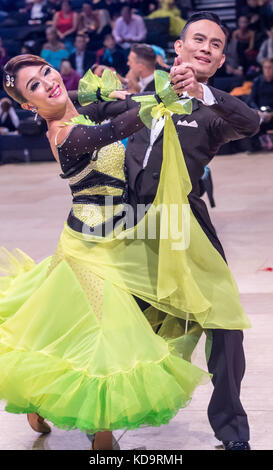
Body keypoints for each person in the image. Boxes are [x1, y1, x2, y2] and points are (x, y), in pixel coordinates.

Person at [0, 53, 215, 451]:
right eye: (34, 86)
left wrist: (135, 93)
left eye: (46, 71)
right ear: (29, 106)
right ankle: (101, 431)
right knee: (106, 336)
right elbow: (117, 127)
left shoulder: (84, 110)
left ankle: (37, 398)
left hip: (124, 234)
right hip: (88, 248)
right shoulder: (62, 134)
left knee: (79, 331)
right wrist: (159, 95)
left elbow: (122, 111)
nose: (47, 82)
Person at [123, 11, 260, 450]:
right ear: (178, 48)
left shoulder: (213, 112)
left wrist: (201, 91)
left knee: (224, 324)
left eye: (215, 45)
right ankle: (76, 405)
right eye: (197, 39)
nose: (206, 47)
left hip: (186, 225)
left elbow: (252, 123)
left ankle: (232, 430)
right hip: (129, 224)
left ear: (219, 61)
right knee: (120, 323)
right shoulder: (142, 99)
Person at [248, 57, 273, 149]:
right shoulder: (257, 81)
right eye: (265, 67)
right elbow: (251, 100)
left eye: (270, 67)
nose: (267, 70)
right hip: (260, 113)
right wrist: (258, 111)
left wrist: (272, 113)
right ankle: (255, 146)